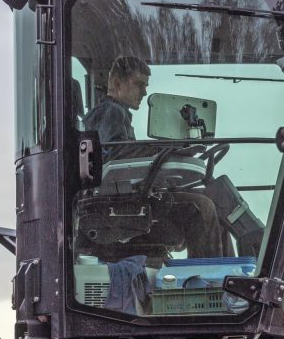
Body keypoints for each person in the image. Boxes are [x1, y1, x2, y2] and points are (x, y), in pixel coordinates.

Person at [82, 55, 226, 259]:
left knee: (216, 201)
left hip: (133, 201)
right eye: (139, 85)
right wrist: (165, 149)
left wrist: (166, 151)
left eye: (146, 86)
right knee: (203, 206)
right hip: (125, 208)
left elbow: (125, 156)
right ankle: (209, 278)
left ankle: (227, 270)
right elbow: (116, 158)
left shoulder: (114, 113)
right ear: (117, 83)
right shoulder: (111, 112)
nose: (144, 92)